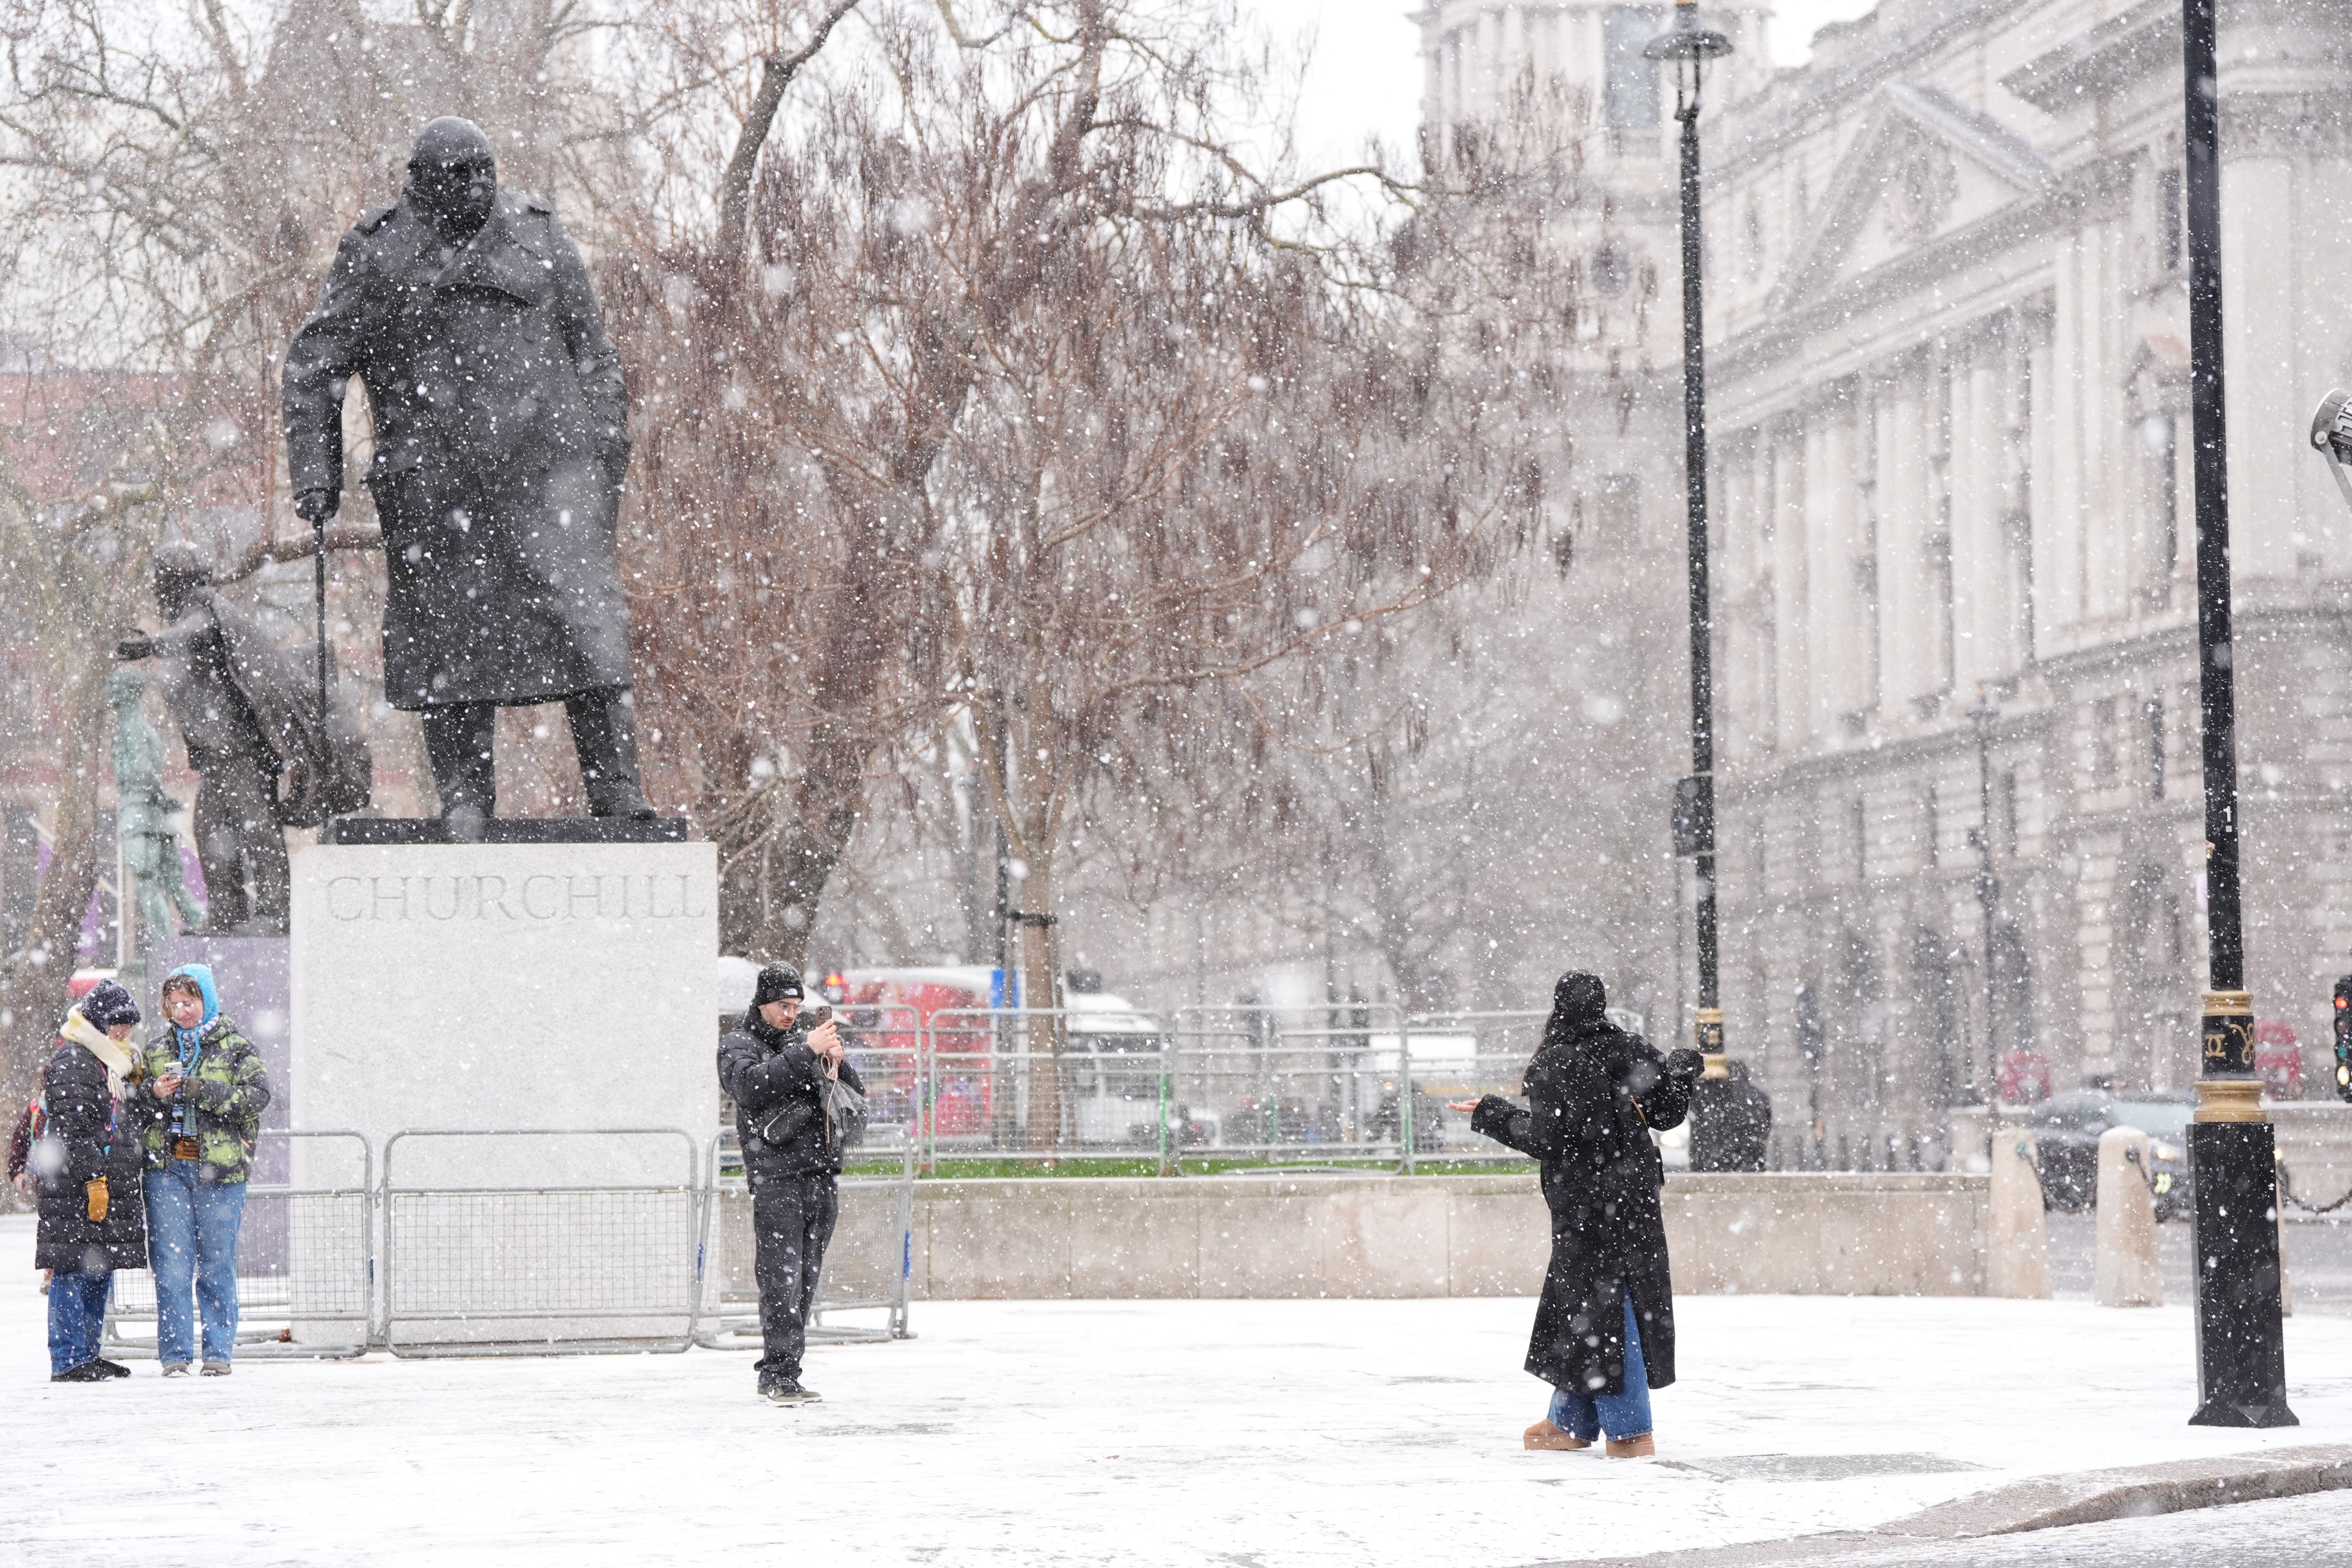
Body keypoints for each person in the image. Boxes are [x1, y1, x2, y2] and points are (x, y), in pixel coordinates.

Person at [282, 114, 650, 822]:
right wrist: (316, 472)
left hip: (552, 477)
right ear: (418, 182)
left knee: (589, 630)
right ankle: (464, 800)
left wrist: (605, 449)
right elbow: (314, 365)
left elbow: (594, 353)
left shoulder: (539, 235)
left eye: (486, 169)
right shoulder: (377, 253)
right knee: (452, 642)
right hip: (438, 484)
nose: (478, 185)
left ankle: (617, 791)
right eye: (460, 174)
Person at [1452, 972, 1703, 1458]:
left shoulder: (1556, 1061)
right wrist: (1678, 1074)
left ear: (1558, 1007)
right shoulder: (1628, 1048)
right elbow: (1668, 1114)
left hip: (1587, 1204)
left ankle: (1631, 1431)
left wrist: (1492, 1114)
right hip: (1634, 1197)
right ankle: (1568, 1421)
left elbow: (1549, 1139)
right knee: (1599, 1303)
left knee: (1605, 1308)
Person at [717, 964, 864, 1405]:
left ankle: (788, 1370)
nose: (789, 1014)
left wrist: (835, 1062)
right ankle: (777, 1373)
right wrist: (806, 1053)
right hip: (776, 1178)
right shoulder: (738, 1045)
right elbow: (750, 1087)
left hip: (819, 1176)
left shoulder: (798, 1043)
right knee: (781, 1281)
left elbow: (852, 1095)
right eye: (783, 1005)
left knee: (804, 1280)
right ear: (761, 1003)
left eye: (796, 1006)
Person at [135, 963, 272, 1376]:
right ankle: (175, 1355)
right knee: (171, 1266)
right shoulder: (157, 1050)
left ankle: (218, 1353)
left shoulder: (236, 1047)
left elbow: (259, 1096)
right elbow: (134, 1106)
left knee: (217, 1263)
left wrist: (204, 1090)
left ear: (206, 1000)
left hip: (220, 1170)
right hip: (168, 1168)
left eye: (189, 1002)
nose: (182, 1011)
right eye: (173, 1004)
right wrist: (153, 1092)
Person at [32, 980, 148, 1382]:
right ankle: (68, 1357)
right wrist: (94, 1176)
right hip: (76, 1186)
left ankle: (87, 1351)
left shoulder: (110, 1061)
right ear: (99, 1020)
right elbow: (73, 1128)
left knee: (99, 1267)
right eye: (117, 1023)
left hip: (100, 1182)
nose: (123, 1031)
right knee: (72, 1268)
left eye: (129, 1024)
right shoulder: (75, 1060)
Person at [1688, 1057, 1773, 1173]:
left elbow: (1715, 1126)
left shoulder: (1723, 1095)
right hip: (1753, 1156)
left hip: (1726, 1158)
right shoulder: (1760, 1096)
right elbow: (1767, 1124)